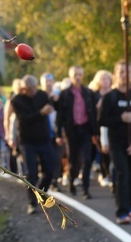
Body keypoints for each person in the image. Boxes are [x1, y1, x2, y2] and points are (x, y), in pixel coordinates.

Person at [99, 60, 131, 224]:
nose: (124, 75)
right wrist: (120, 118)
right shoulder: (110, 97)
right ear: (115, 75)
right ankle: (122, 211)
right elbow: (102, 120)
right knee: (122, 173)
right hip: (117, 144)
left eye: (127, 72)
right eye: (121, 72)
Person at [11, 75, 55, 214]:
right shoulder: (17, 101)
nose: (33, 91)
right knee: (31, 173)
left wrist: (54, 101)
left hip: (44, 138)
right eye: (30, 89)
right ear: (23, 89)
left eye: (35, 88)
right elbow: (24, 119)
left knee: (49, 171)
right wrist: (41, 113)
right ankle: (32, 202)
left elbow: (52, 106)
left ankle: (41, 194)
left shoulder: (42, 95)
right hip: (27, 141)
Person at [56, 65, 99, 199]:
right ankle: (71, 183)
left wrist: (95, 132)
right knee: (73, 159)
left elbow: (93, 113)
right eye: (75, 74)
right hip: (71, 130)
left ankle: (85, 188)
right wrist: (59, 133)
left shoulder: (88, 92)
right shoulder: (65, 93)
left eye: (80, 74)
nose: (78, 77)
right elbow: (60, 115)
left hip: (86, 129)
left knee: (87, 159)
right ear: (70, 76)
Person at [89, 70, 113, 188]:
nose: (105, 81)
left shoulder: (114, 93)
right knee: (103, 152)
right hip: (99, 127)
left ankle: (110, 174)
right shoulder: (94, 95)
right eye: (102, 79)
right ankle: (104, 174)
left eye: (107, 78)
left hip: (112, 127)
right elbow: (92, 112)